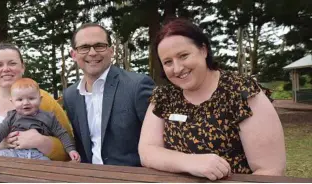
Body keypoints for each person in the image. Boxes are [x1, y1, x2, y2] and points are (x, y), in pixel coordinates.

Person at [138, 18, 286, 180]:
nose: (177, 68)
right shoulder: (164, 96)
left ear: (203, 50)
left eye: (184, 56)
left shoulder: (241, 92)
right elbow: (147, 151)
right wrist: (190, 162)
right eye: (168, 62)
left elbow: (269, 171)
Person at [0, 43, 73, 161]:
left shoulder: (45, 100)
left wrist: (42, 142)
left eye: (12, 63)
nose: (5, 69)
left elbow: (70, 148)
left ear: (22, 67)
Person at [63, 23, 155, 166]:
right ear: (74, 55)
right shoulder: (70, 96)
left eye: (99, 45)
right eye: (84, 47)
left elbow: (160, 142)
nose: (92, 53)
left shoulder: (137, 86)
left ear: (111, 51)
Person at [0, 78, 80, 162]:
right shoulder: (11, 117)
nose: (25, 103)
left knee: (48, 170)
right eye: (20, 100)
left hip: (39, 155)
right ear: (13, 102)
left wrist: (71, 150)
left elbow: (63, 134)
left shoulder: (48, 117)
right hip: (14, 153)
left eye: (31, 98)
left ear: (40, 99)